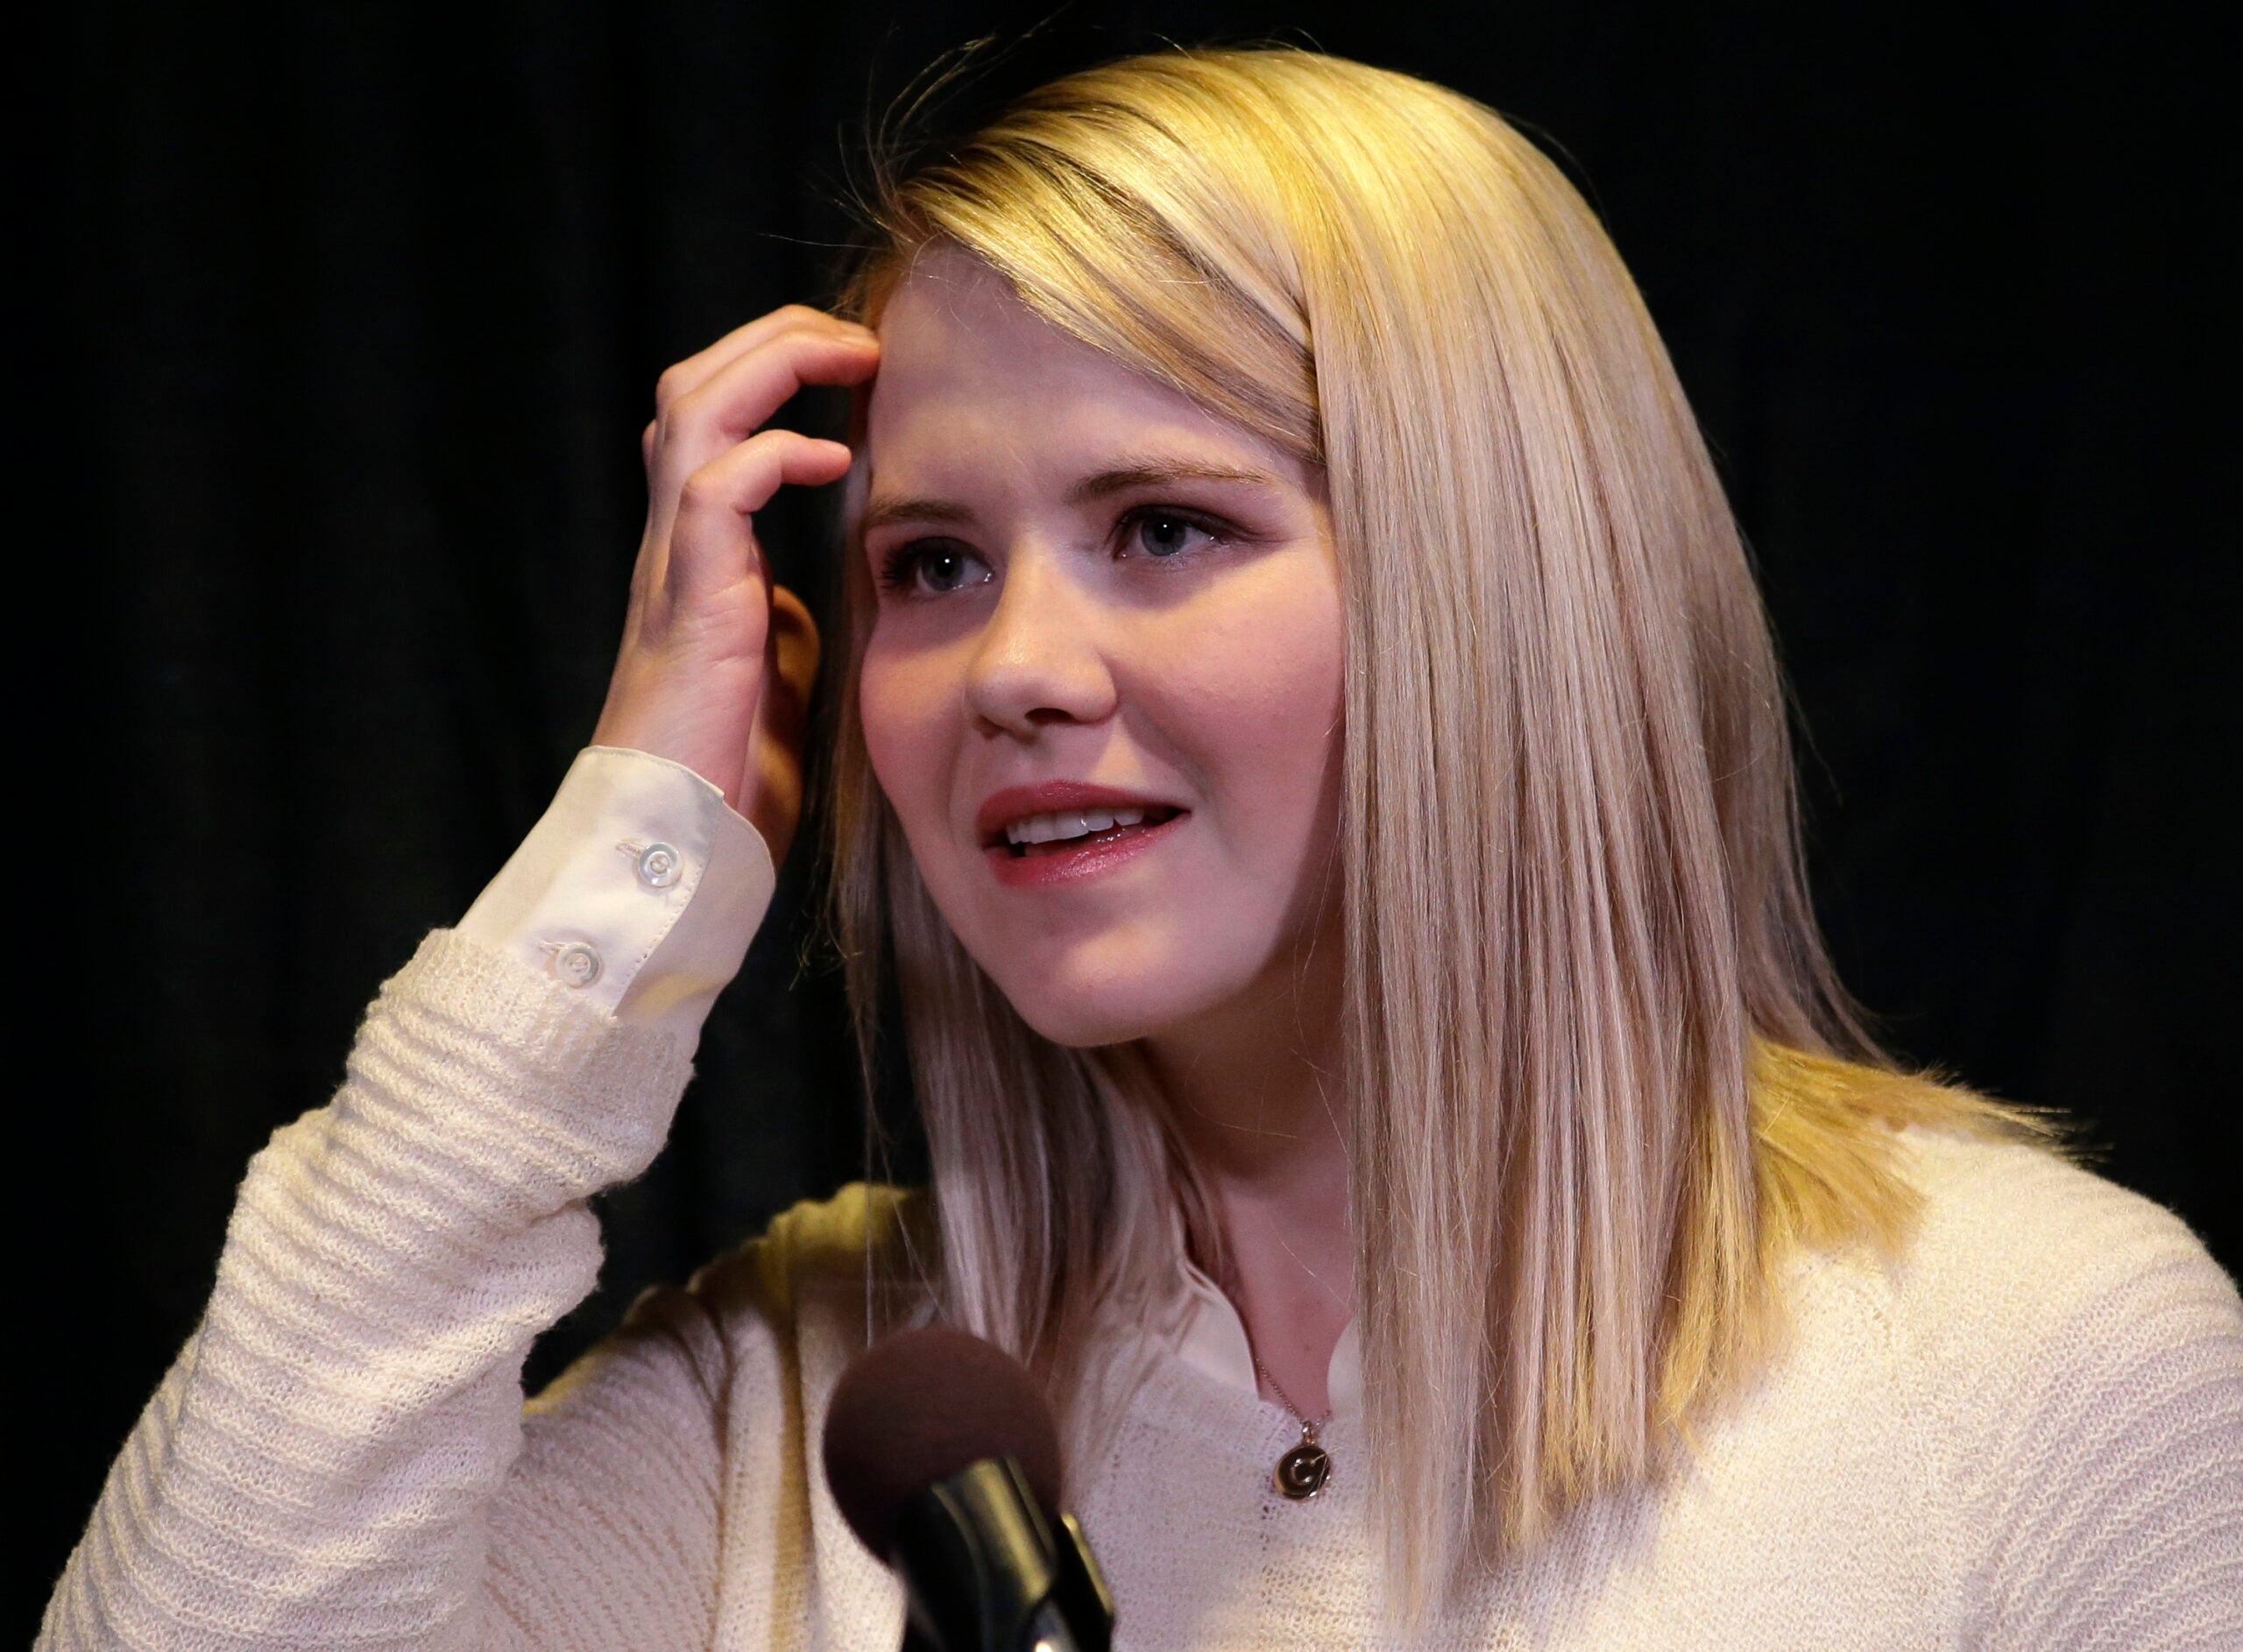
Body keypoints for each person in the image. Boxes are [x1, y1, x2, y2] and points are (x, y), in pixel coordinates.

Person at [40, 46, 2243, 1650]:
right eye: (923, 563)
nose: (1012, 665)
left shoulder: (2030, 1359)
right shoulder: (816, 1398)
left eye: (1162, 525)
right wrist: (625, 858)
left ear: (1497, 583)